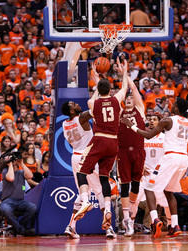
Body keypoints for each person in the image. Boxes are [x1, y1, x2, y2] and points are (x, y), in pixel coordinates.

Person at [121, 97, 188, 238]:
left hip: (171, 157)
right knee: (169, 192)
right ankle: (174, 226)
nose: (171, 106)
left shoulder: (168, 120)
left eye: (174, 104)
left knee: (149, 188)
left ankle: (155, 220)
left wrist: (131, 125)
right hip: (184, 158)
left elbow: (147, 135)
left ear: (176, 109)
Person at [75, 59, 128, 230]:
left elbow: (97, 95)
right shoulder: (117, 99)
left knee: (82, 171)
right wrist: (124, 73)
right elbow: (124, 89)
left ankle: (84, 202)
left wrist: (95, 76)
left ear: (98, 90)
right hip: (113, 142)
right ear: (110, 90)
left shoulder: (93, 103)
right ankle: (107, 211)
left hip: (99, 139)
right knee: (104, 177)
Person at [61, 99, 116, 239]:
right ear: (72, 111)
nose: (78, 104)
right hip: (87, 156)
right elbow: (97, 109)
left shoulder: (64, 123)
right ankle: (108, 229)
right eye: (74, 104)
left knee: (82, 191)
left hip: (75, 157)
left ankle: (71, 226)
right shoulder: (82, 118)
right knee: (99, 191)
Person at [117, 75, 146, 237]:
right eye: (126, 98)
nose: (128, 99)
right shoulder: (120, 111)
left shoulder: (140, 110)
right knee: (125, 186)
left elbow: (133, 90)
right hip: (122, 151)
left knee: (136, 185)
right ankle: (127, 219)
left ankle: (132, 214)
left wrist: (125, 73)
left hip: (138, 150)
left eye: (130, 98)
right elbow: (122, 92)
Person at [0, 155, 37, 237]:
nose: (15, 161)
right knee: (5, 209)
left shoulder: (21, 172)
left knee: (32, 207)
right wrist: (10, 164)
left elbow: (30, 176)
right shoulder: (5, 171)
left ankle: (17, 228)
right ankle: (21, 230)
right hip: (8, 201)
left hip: (20, 201)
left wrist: (22, 164)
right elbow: (11, 178)